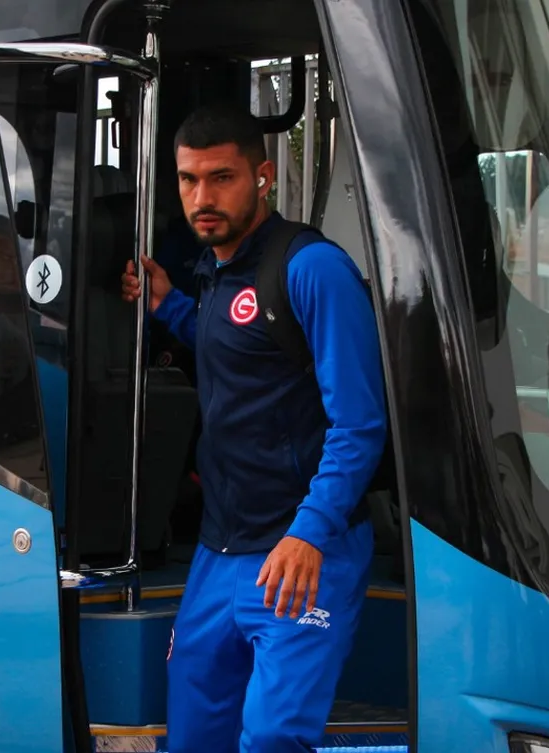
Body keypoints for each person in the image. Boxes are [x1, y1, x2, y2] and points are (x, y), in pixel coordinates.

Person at [120, 102, 387, 752]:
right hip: (220, 550)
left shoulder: (312, 268)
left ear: (263, 175)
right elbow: (235, 347)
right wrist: (168, 305)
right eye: (188, 180)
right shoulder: (216, 270)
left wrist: (310, 531)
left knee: (270, 738)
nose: (202, 197)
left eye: (222, 177)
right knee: (193, 735)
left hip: (300, 553)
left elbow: (360, 422)